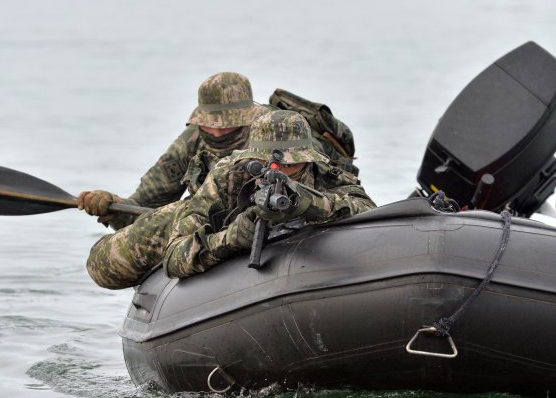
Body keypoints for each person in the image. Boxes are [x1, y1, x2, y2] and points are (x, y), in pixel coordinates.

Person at [85, 110, 375, 289]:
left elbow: (368, 213)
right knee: (107, 264)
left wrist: (310, 204)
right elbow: (175, 258)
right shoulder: (227, 176)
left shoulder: (325, 172)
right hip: (203, 221)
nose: (281, 173)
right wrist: (230, 239)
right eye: (270, 167)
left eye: (291, 165)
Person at [77, 72, 272, 229]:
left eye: (228, 125)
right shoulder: (191, 141)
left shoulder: (275, 133)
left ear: (248, 118)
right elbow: (147, 206)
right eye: (209, 124)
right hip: (209, 221)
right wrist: (113, 206)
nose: (217, 132)